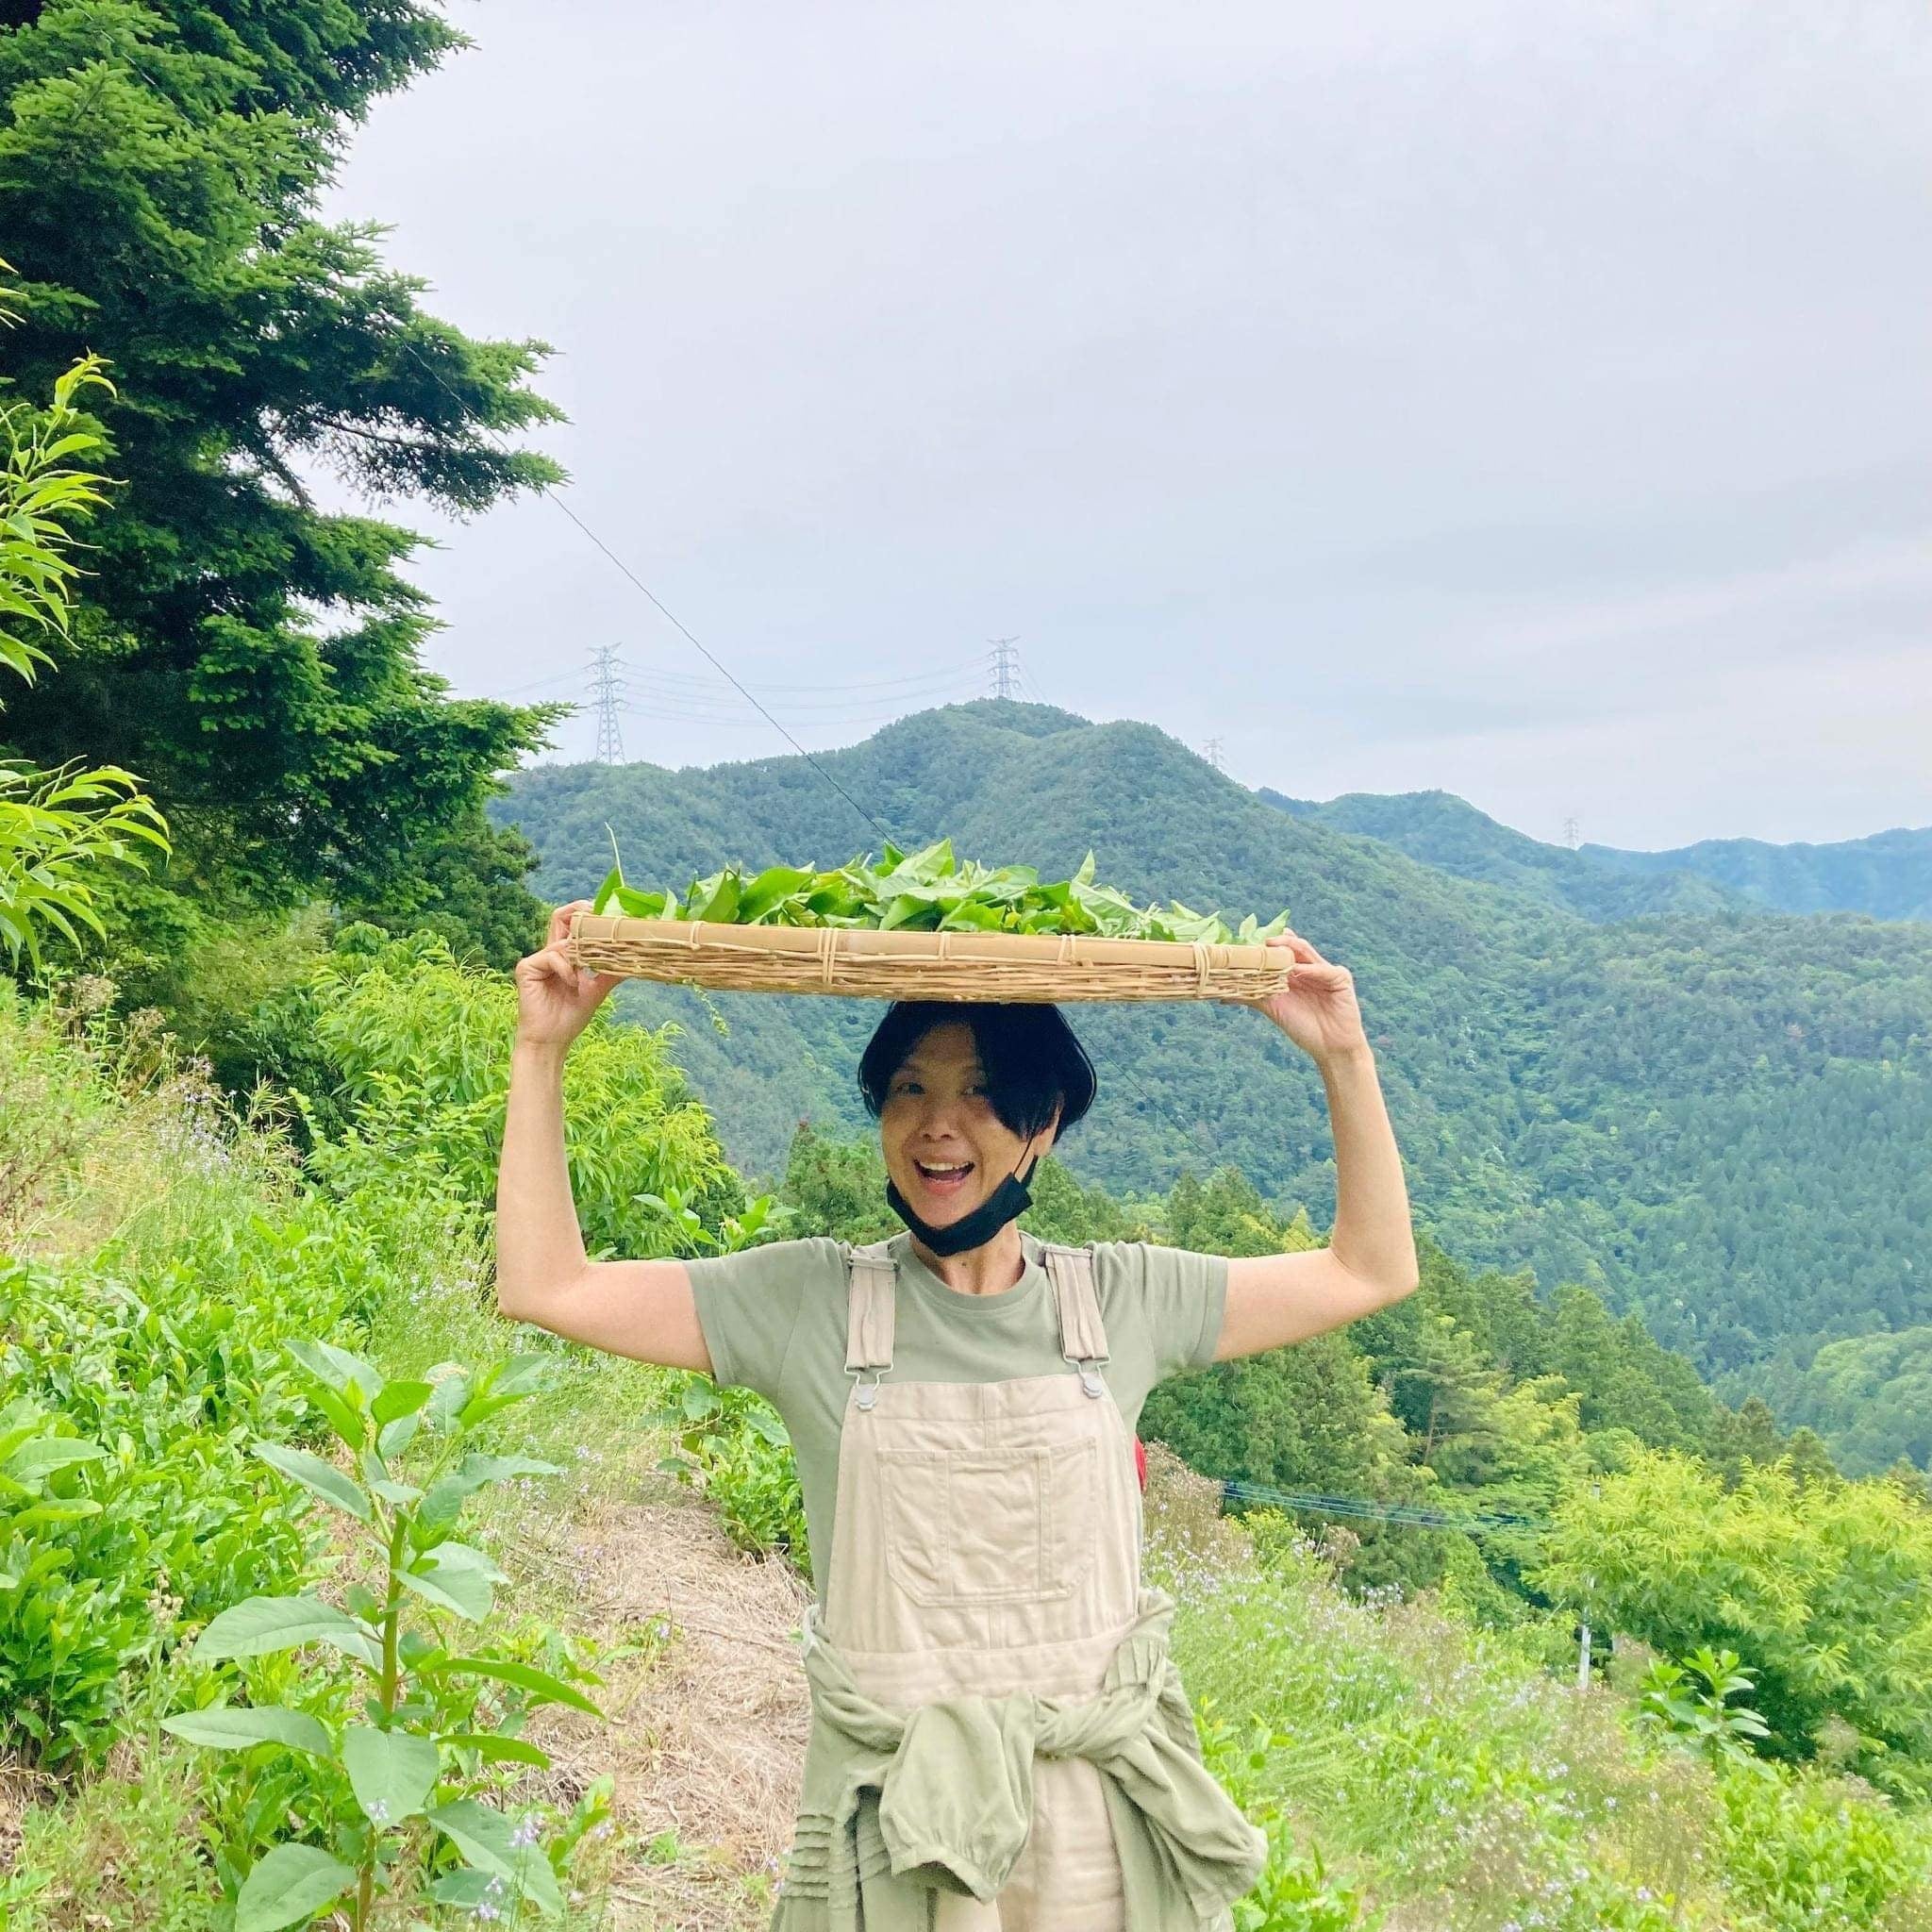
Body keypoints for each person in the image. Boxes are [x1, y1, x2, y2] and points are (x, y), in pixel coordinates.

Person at [496, 899, 1421, 1931]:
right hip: (895, 1829)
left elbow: (1370, 1267)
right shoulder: (808, 1302)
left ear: (1044, 1122)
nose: (938, 1123)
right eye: (909, 1089)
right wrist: (543, 1048)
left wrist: (1343, 1053)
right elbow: (546, 1284)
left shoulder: (1122, 1298)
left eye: (981, 1092)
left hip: (1093, 1834)